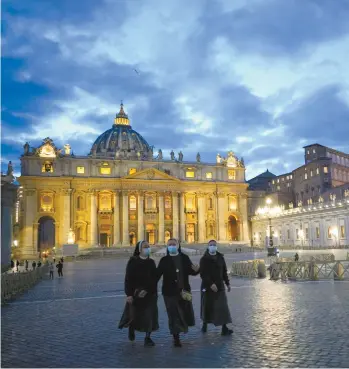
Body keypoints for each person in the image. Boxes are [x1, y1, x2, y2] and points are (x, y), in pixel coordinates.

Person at [157, 238, 200, 348]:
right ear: (167, 246)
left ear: (178, 245)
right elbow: (156, 275)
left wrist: (196, 270)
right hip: (169, 292)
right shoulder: (164, 260)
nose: (172, 246)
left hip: (184, 291)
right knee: (173, 315)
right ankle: (176, 337)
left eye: (174, 244)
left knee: (185, 312)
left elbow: (191, 272)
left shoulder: (184, 258)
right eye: (169, 244)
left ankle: (181, 330)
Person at [119, 240, 159, 347]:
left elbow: (154, 279)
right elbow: (128, 279)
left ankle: (148, 337)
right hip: (136, 292)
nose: (147, 249)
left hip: (150, 293)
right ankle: (132, 327)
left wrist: (148, 290)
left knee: (150, 315)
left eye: (148, 246)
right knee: (135, 314)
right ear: (139, 249)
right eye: (145, 247)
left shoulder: (151, 262)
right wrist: (129, 294)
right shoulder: (133, 261)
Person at [200, 240, 233, 336]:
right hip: (207, 286)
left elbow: (224, 271)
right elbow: (203, 274)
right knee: (207, 305)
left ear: (216, 246)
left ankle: (224, 328)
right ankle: (205, 324)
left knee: (223, 307)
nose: (212, 246)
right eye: (211, 245)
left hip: (219, 286)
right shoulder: (204, 259)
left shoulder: (220, 258)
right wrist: (210, 284)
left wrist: (227, 283)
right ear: (208, 247)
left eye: (214, 245)